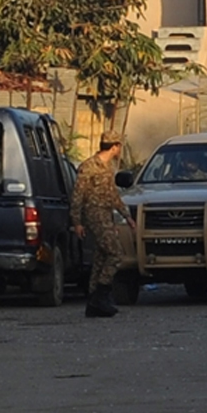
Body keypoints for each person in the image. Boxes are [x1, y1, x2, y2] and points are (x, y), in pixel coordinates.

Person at [71, 131, 135, 318]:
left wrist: (126, 216)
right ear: (114, 146)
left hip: (106, 215)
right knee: (115, 254)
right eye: (119, 146)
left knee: (101, 257)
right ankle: (102, 293)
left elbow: (113, 196)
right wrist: (77, 222)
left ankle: (94, 301)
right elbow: (77, 195)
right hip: (94, 215)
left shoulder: (108, 167)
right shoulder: (88, 167)